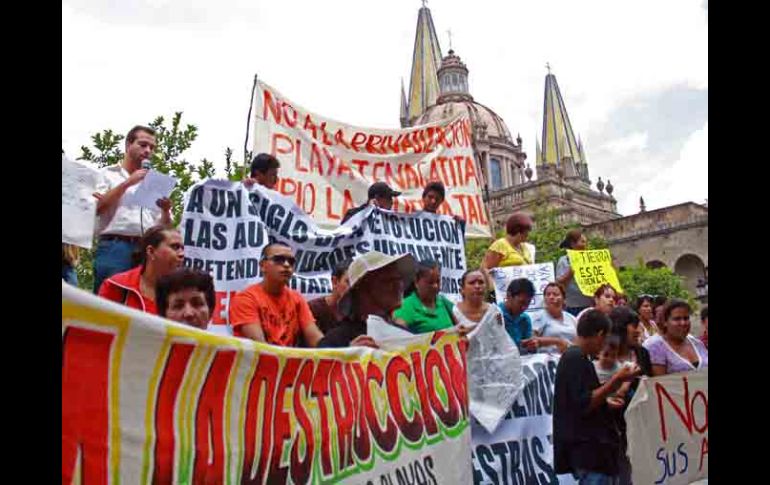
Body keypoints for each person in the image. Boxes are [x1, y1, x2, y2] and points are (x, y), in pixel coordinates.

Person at [553, 309, 640, 484]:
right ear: (600, 335)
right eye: (605, 339)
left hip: (595, 451)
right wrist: (617, 380)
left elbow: (582, 399)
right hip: (588, 452)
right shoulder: (575, 358)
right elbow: (585, 403)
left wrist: (606, 402)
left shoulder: (580, 358)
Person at [92, 125, 172, 292]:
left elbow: (166, 228)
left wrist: (165, 210)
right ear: (128, 145)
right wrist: (127, 183)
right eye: (143, 145)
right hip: (115, 246)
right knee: (110, 298)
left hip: (147, 250)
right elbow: (96, 208)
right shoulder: (107, 174)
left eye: (152, 147)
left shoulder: (155, 183)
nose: (148, 150)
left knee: (145, 299)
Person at [229, 242, 325, 347]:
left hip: (287, 356)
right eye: (279, 260)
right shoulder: (245, 299)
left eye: (291, 261)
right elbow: (260, 347)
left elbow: (315, 339)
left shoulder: (297, 298)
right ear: (262, 266)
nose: (287, 265)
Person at [318, 251, 417, 348]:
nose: (399, 285)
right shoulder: (335, 341)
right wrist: (348, 355)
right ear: (363, 289)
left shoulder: (407, 338)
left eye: (399, 279)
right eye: (388, 280)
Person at [609, 306, 654, 485]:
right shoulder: (603, 357)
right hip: (615, 433)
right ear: (620, 328)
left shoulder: (642, 354)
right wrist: (625, 382)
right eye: (634, 326)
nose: (638, 331)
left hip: (642, 428)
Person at [98, 225, 184, 314]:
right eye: (175, 247)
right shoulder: (116, 286)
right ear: (151, 251)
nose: (182, 254)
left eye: (182, 248)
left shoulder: (186, 293)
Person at [155, 268, 231, 336]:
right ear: (163, 315)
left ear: (210, 311)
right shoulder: (149, 347)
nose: (189, 313)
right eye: (178, 306)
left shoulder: (229, 347)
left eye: (197, 304)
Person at [644, 299, 708, 376]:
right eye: (677, 319)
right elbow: (660, 381)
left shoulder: (697, 343)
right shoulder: (655, 347)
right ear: (665, 322)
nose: (683, 323)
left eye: (686, 318)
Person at [393, 259, 456, 333]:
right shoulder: (407, 306)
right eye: (430, 282)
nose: (435, 286)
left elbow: (461, 323)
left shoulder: (444, 302)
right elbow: (397, 332)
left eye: (438, 281)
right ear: (416, 282)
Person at [526, 283, 577, 354]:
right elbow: (532, 340)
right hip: (548, 358)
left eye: (555, 294)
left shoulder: (571, 318)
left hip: (570, 356)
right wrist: (557, 341)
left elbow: (579, 339)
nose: (551, 297)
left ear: (563, 299)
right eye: (548, 295)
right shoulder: (539, 316)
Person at [307, 259, 352, 334]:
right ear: (335, 282)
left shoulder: (359, 312)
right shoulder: (312, 309)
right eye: (348, 282)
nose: (353, 287)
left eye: (357, 282)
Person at [452, 269, 503, 334]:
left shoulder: (495, 312)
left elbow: (500, 337)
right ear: (462, 289)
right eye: (472, 283)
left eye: (481, 282)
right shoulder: (453, 311)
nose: (477, 286)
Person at [555, 229, 593, 316]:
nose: (585, 245)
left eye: (585, 242)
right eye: (582, 242)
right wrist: (571, 272)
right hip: (573, 306)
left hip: (590, 303)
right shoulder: (564, 260)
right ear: (573, 244)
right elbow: (559, 283)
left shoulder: (591, 259)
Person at [498, 278, 535, 351]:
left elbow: (528, 348)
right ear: (509, 296)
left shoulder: (525, 319)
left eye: (527, 304)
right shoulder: (495, 315)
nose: (524, 307)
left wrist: (531, 345)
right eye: (521, 302)